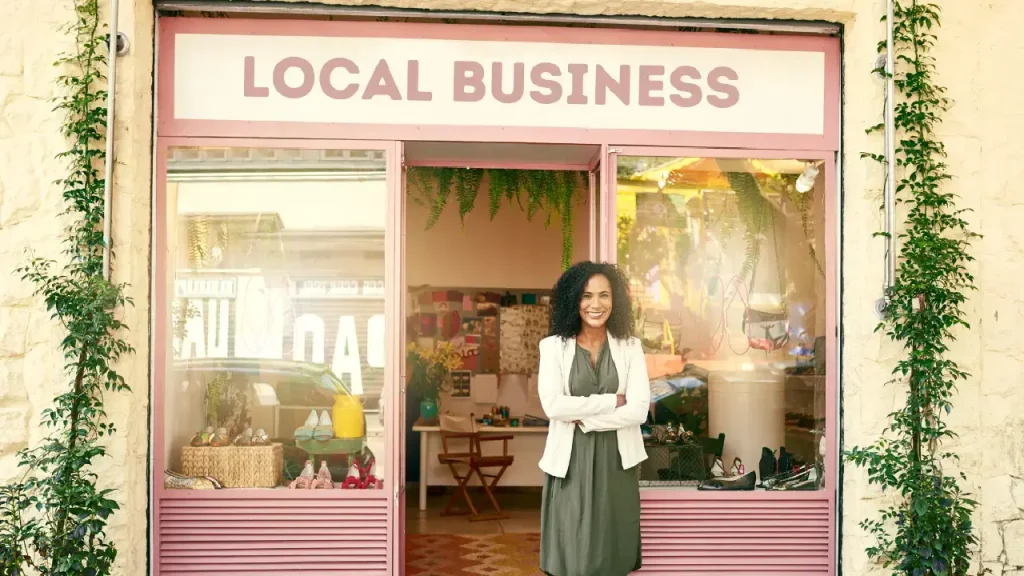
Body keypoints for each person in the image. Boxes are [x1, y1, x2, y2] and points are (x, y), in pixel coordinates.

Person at [537, 261, 651, 576]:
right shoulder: (552, 348)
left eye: (604, 295)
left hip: (617, 463)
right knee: (572, 554)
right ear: (573, 300)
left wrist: (586, 419)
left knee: (612, 554)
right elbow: (554, 406)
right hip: (569, 464)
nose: (595, 305)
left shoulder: (630, 348)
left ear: (616, 301)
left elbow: (639, 409)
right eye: (586, 296)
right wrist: (609, 401)